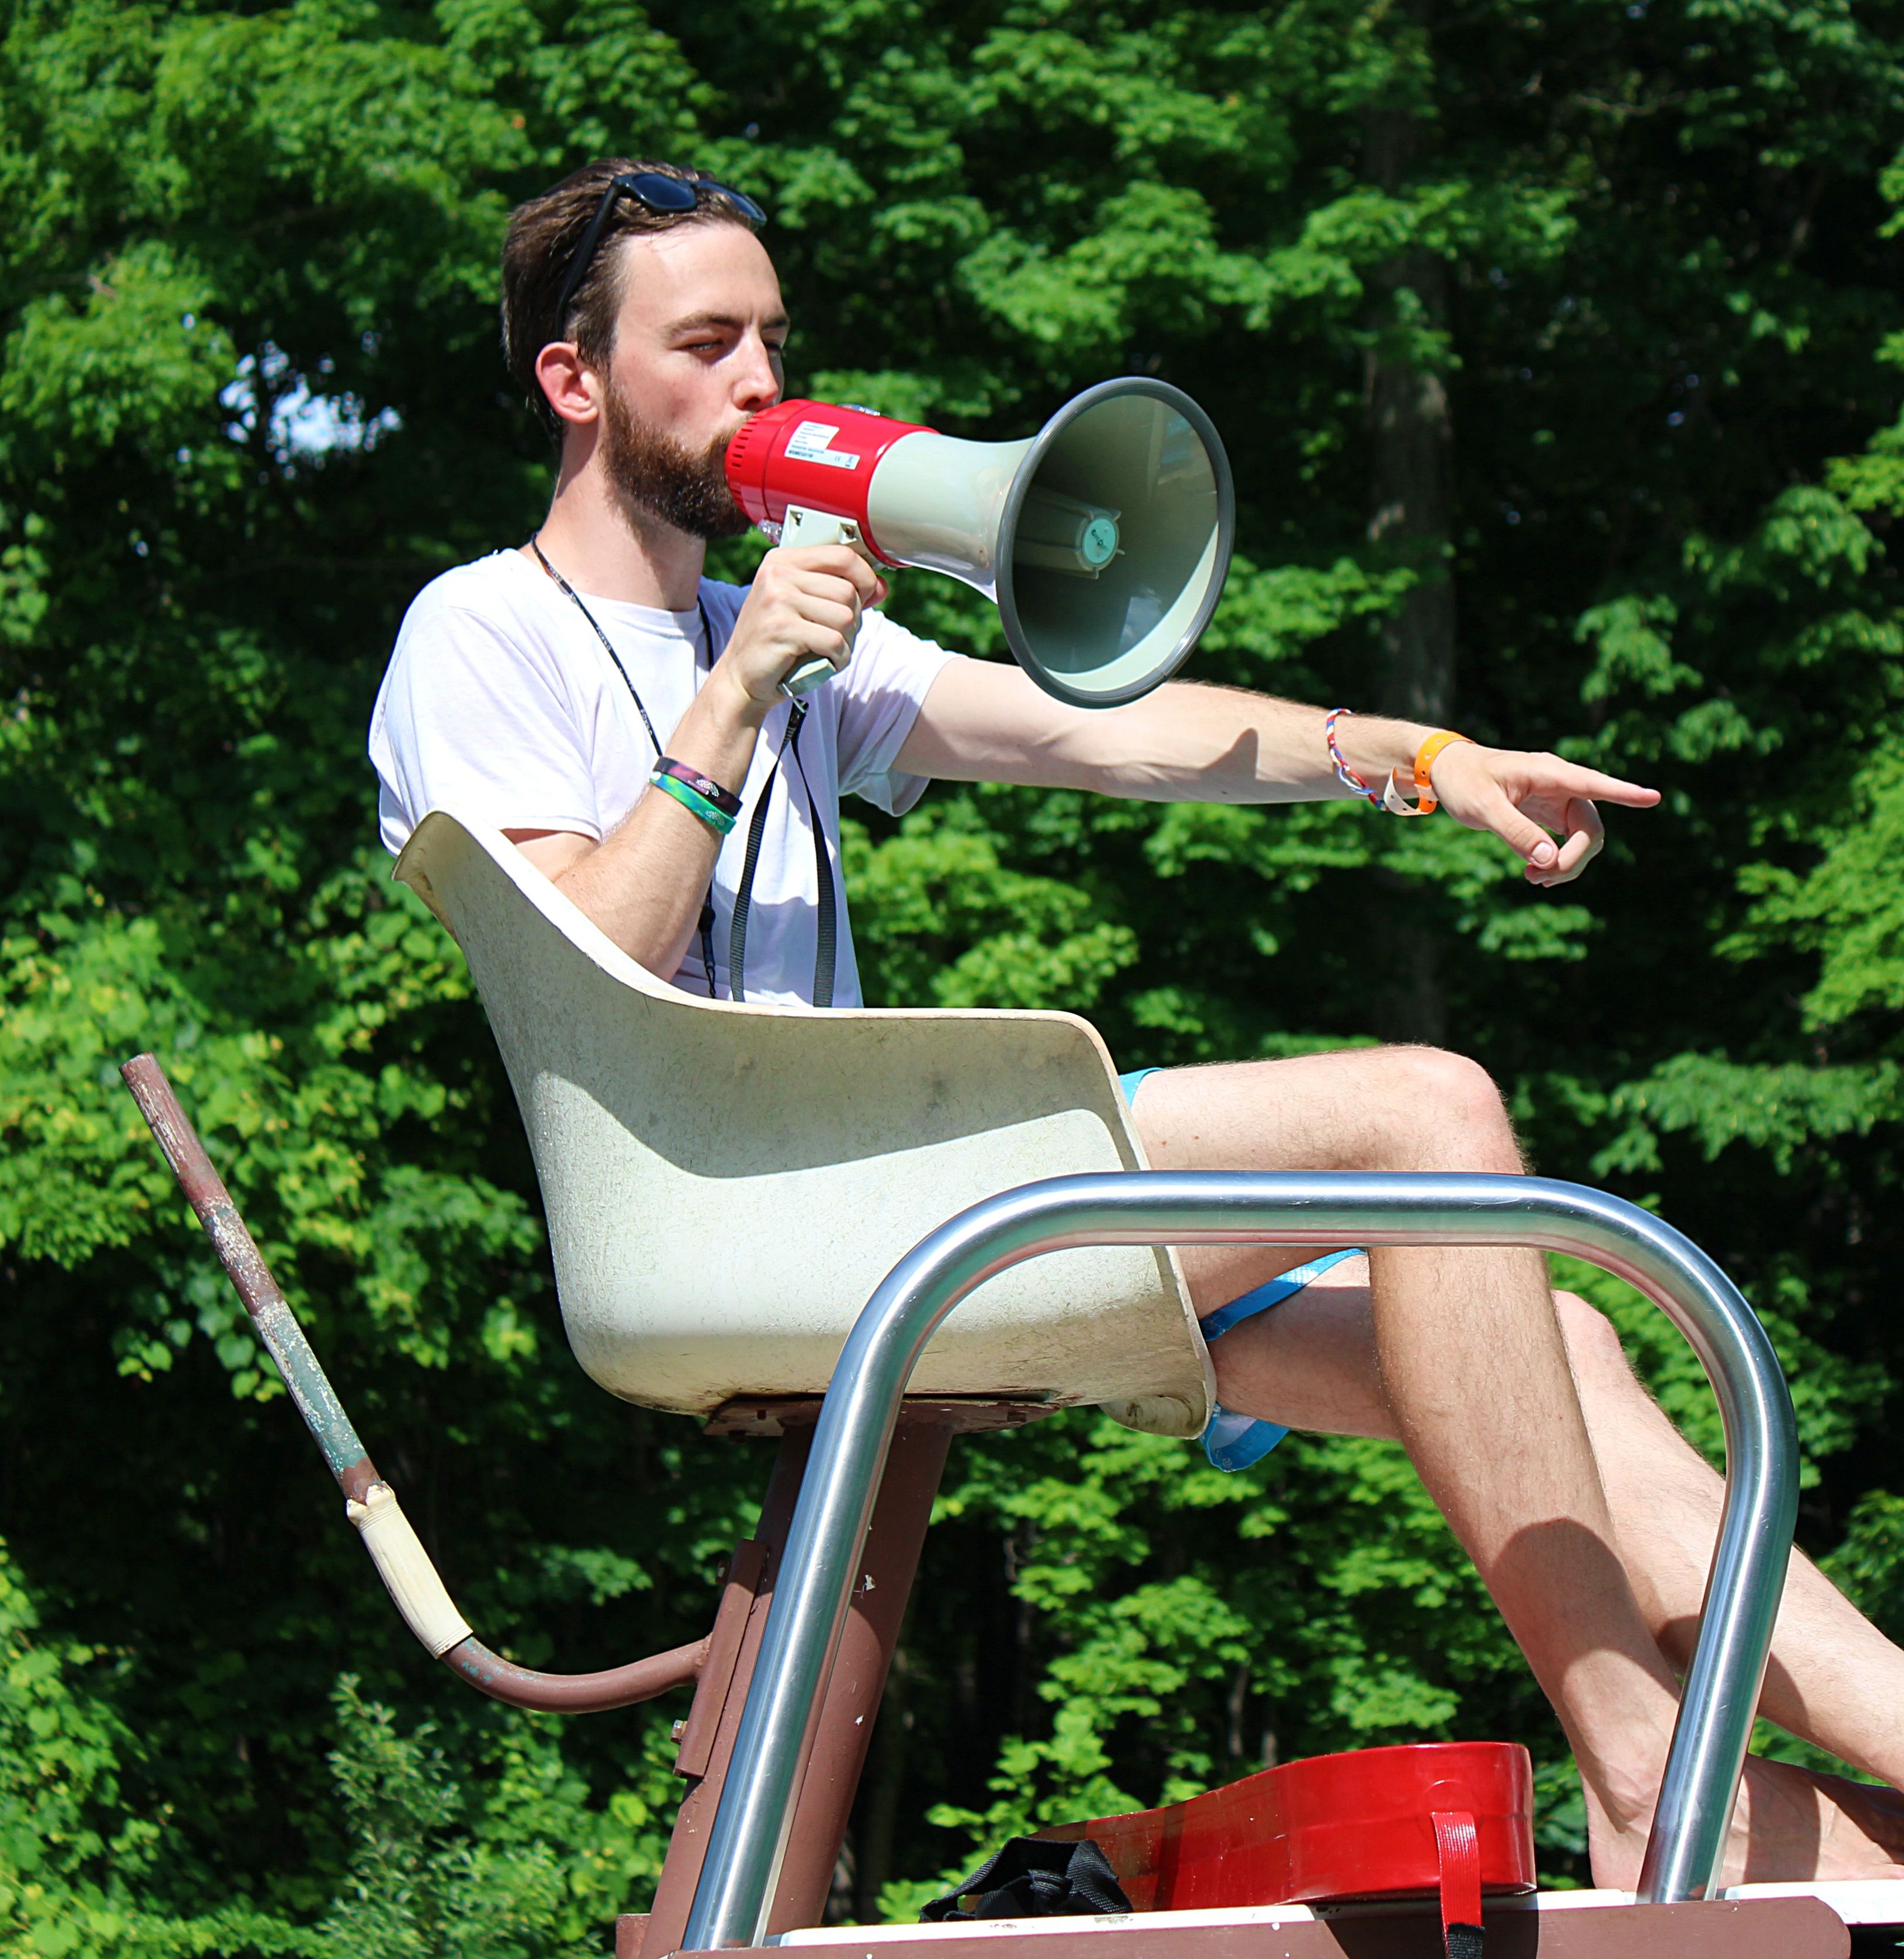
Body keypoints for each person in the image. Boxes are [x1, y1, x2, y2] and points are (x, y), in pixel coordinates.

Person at [368, 157, 1904, 1890]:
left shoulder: (767, 627)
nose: (760, 387)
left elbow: (1111, 733)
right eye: (707, 343)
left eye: (775, 341)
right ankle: (1636, 1779)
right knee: (1433, 1113)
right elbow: (590, 968)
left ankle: (1853, 1762)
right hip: (726, 1212)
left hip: (879, 1200)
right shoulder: (478, 631)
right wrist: (732, 703)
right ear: (573, 382)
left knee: (1547, 1333)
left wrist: (1420, 761)